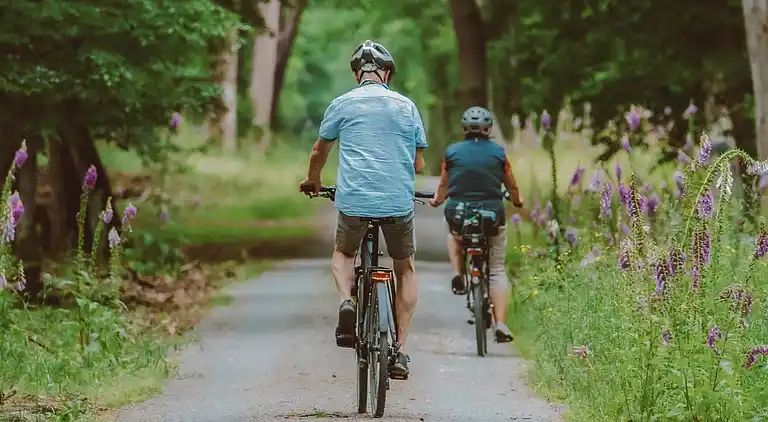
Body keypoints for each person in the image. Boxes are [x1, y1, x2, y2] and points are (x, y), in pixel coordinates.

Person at [298, 40, 427, 380]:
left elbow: (319, 151)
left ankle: (346, 302)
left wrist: (313, 180)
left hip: (354, 201)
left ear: (357, 75)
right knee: (405, 268)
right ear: (387, 74)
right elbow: (418, 163)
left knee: (343, 253)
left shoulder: (341, 104)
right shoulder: (407, 107)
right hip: (397, 202)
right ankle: (399, 350)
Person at [428, 106, 523, 343]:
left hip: (459, 213)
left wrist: (437, 200)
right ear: (488, 129)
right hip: (491, 215)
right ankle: (500, 323)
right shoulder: (499, 153)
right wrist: (517, 200)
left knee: (454, 236)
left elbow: (444, 186)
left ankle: (458, 274)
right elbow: (511, 185)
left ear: (464, 129)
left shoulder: (452, 152)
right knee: (497, 268)